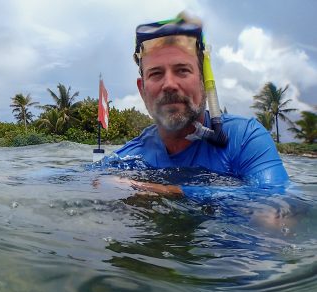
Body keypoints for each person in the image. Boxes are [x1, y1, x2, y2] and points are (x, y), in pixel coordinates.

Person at [108, 13, 289, 197]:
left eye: (182, 70)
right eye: (156, 73)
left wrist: (168, 192)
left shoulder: (244, 139)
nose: (169, 84)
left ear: (204, 81)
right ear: (142, 90)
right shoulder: (129, 157)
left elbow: (278, 209)